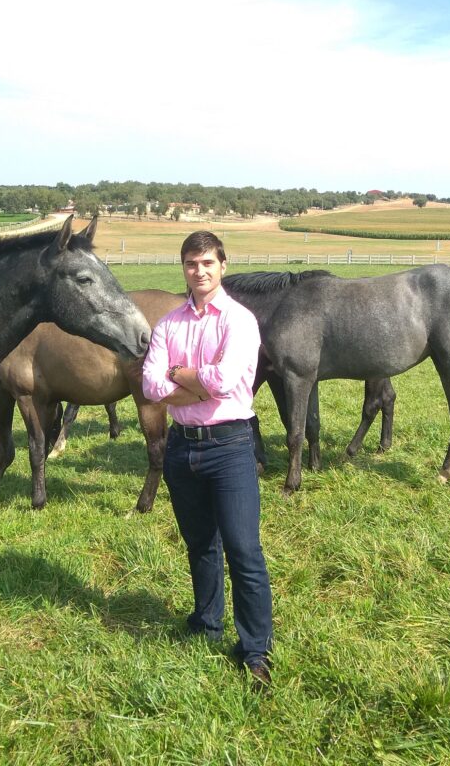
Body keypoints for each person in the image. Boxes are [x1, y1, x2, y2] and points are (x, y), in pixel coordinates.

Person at [140, 230, 273, 688]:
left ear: (223, 265)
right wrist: (196, 381)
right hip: (182, 446)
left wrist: (180, 376)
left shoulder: (240, 320)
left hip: (231, 446)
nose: (199, 271)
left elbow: (226, 379)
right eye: (192, 264)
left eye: (208, 263)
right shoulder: (168, 324)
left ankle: (255, 649)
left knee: (243, 551)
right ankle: (206, 620)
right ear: (183, 267)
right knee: (200, 544)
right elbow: (151, 386)